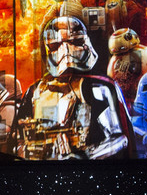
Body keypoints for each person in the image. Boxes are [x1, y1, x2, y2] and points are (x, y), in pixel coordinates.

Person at [15, 16, 131, 160]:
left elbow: (119, 140)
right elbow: (17, 141)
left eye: (74, 42)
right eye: (56, 45)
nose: (66, 50)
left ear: (86, 42)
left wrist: (83, 156)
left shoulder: (98, 87)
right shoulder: (36, 91)